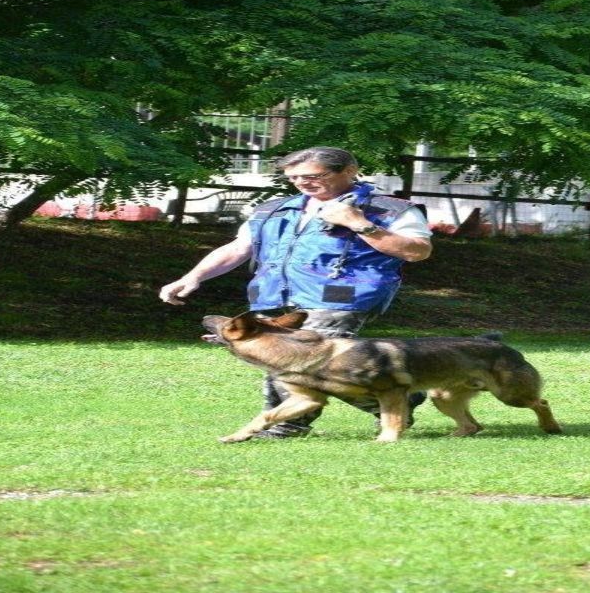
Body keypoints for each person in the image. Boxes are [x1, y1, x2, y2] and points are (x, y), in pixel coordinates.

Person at [159, 146, 433, 437]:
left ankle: (286, 424)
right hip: (275, 294)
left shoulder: (388, 209)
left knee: (299, 360)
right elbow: (239, 248)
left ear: (349, 171)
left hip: (341, 296)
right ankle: (386, 401)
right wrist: (194, 276)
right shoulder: (276, 208)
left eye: (313, 175)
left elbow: (417, 252)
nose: (302, 183)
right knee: (283, 358)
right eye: (294, 178)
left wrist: (359, 223)